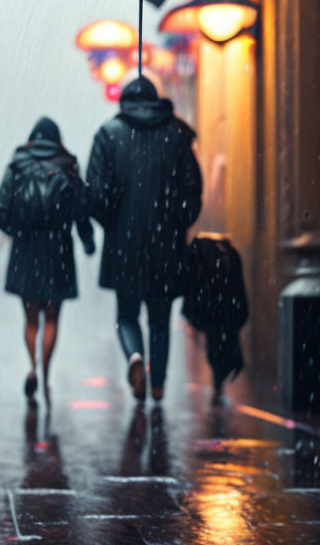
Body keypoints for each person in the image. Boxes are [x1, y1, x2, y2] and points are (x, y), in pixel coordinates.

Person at [86, 78, 201, 403]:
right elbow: (193, 191)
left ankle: (135, 356)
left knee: (126, 315)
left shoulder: (109, 134)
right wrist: (178, 222)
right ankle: (159, 383)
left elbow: (95, 193)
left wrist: (112, 223)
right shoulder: (178, 135)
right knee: (160, 318)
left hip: (123, 243)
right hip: (167, 243)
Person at [0, 118, 94, 407]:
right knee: (52, 316)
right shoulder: (69, 164)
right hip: (58, 249)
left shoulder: (17, 163)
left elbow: (2, 213)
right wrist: (87, 241)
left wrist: (17, 232)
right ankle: (46, 373)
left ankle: (32, 367)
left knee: (30, 317)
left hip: (25, 248)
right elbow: (81, 209)